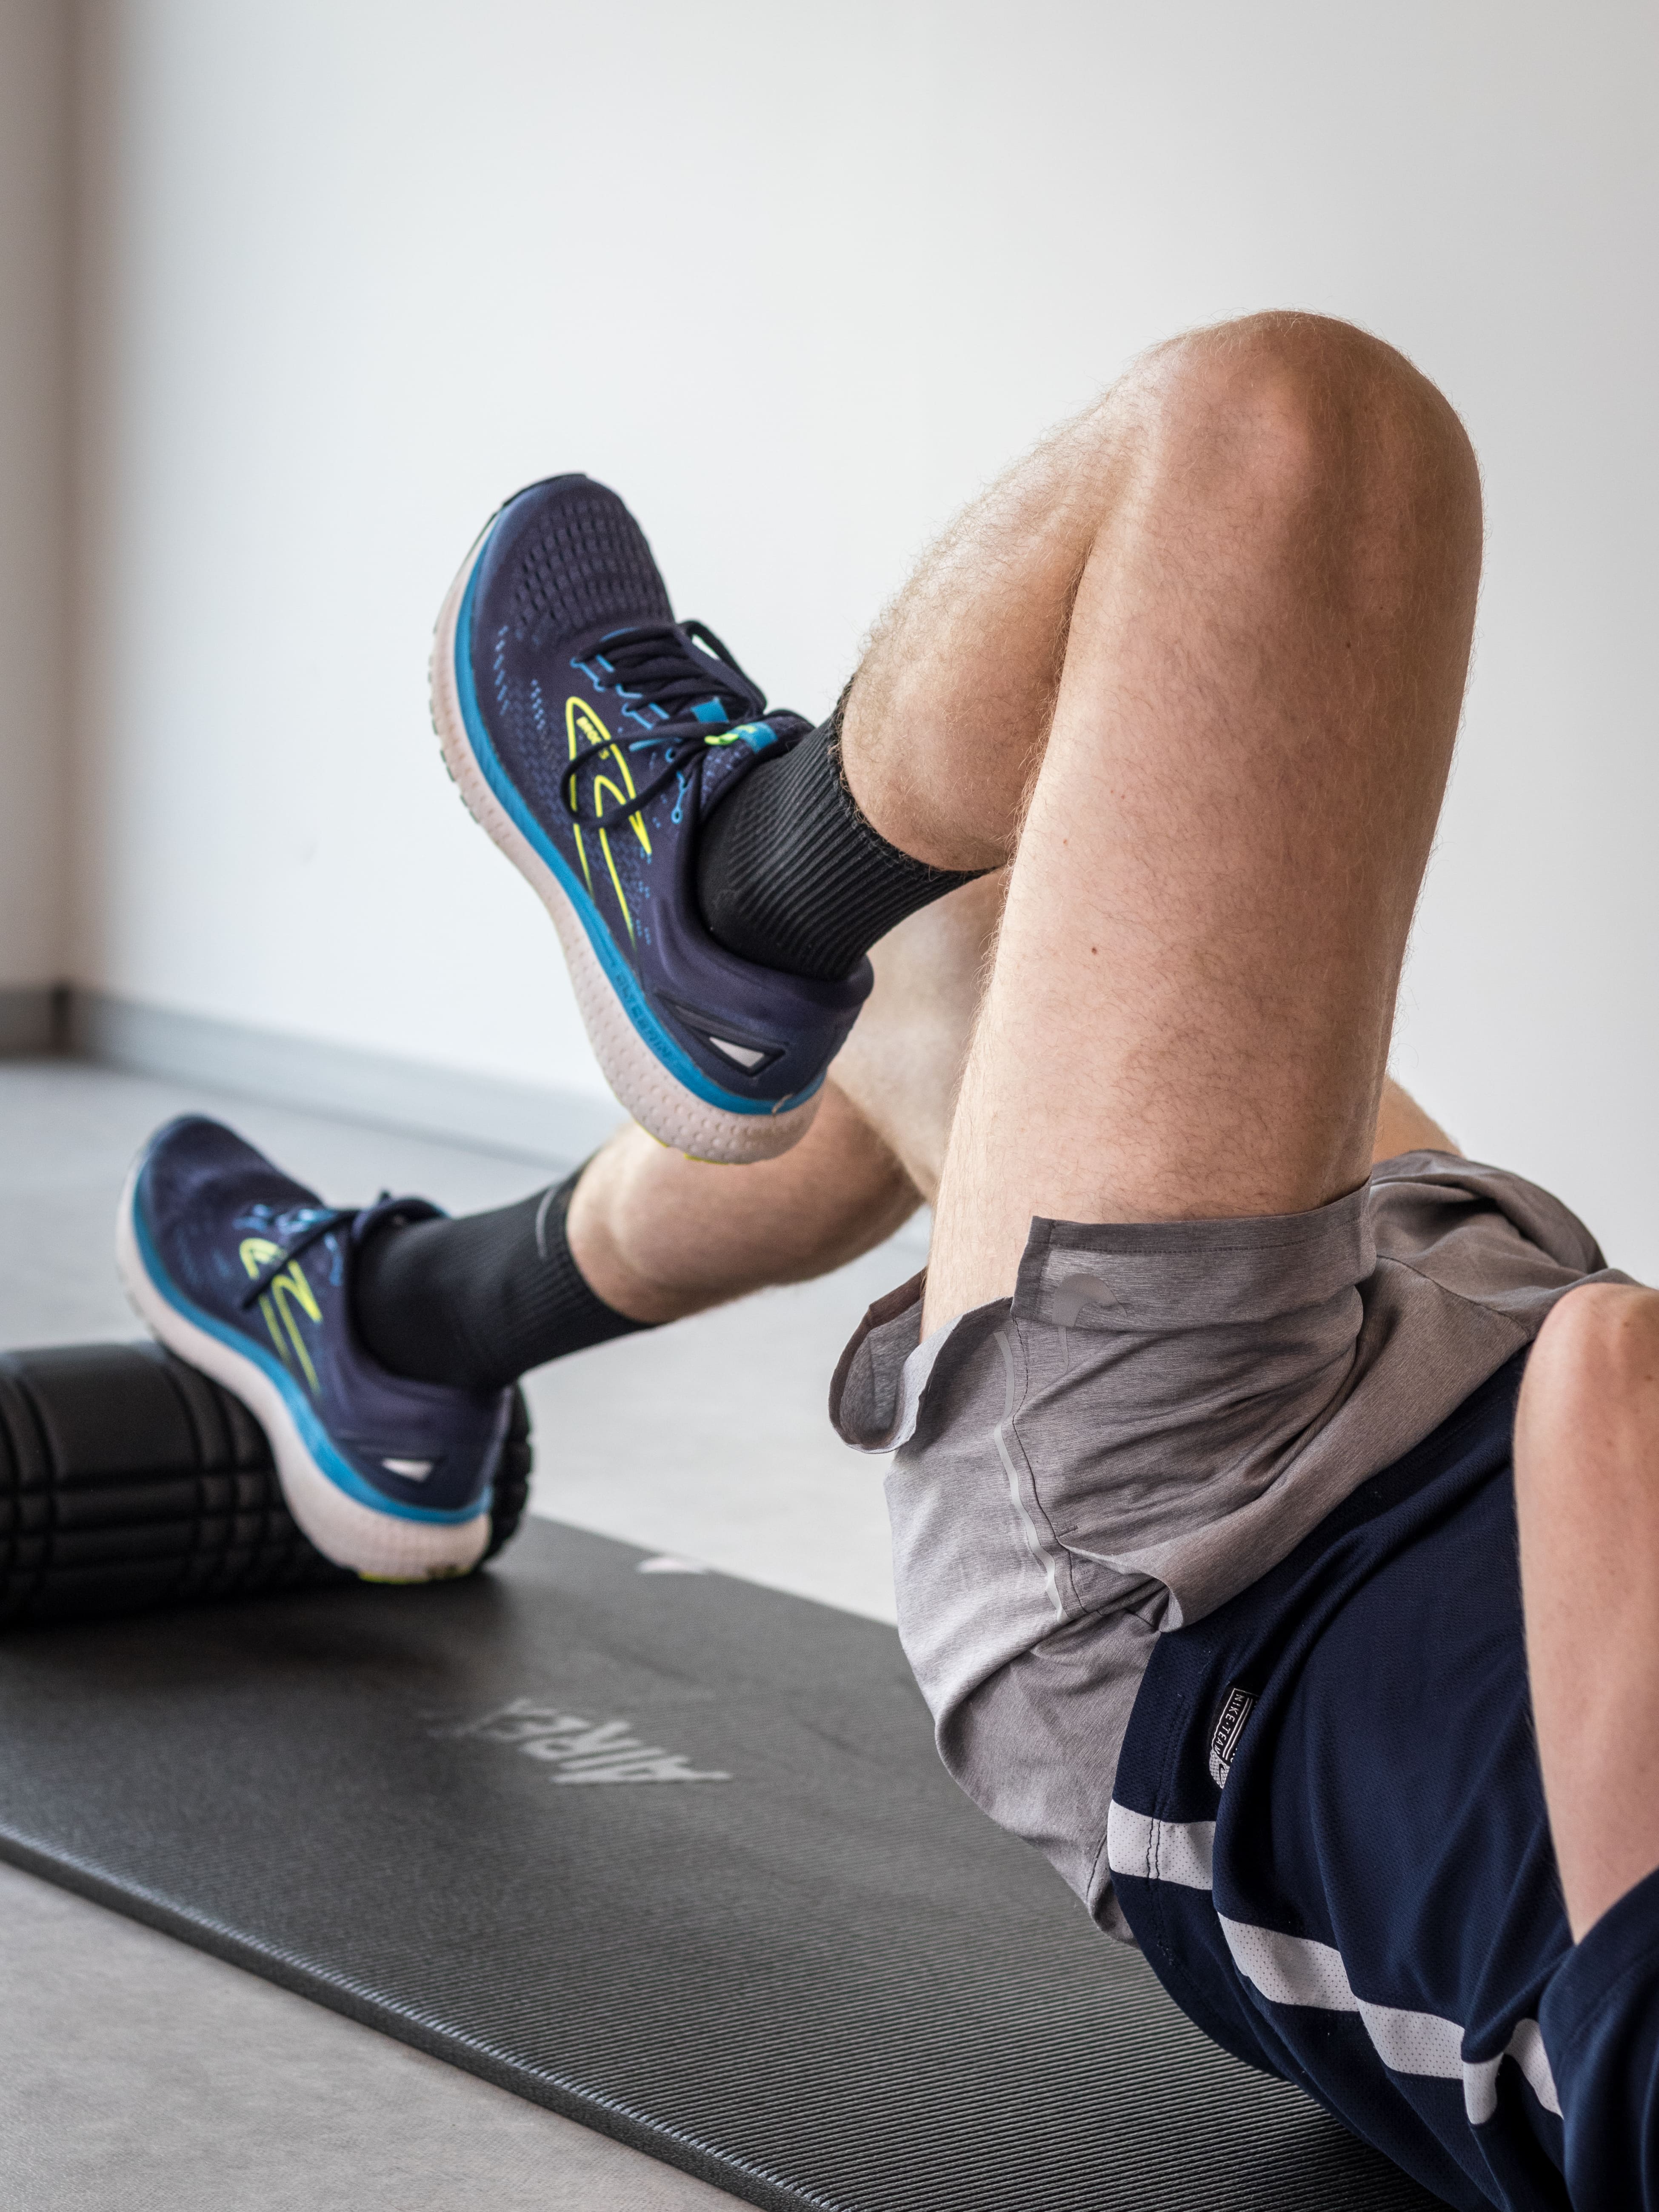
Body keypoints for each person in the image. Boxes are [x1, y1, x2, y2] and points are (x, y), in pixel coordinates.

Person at [118, 312, 1659, 2209]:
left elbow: (1626, 1395)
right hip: (1461, 1400)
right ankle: (406, 1330)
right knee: (965, 988)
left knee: (1289, 440)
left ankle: (723, 892)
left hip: (1205, 1566)